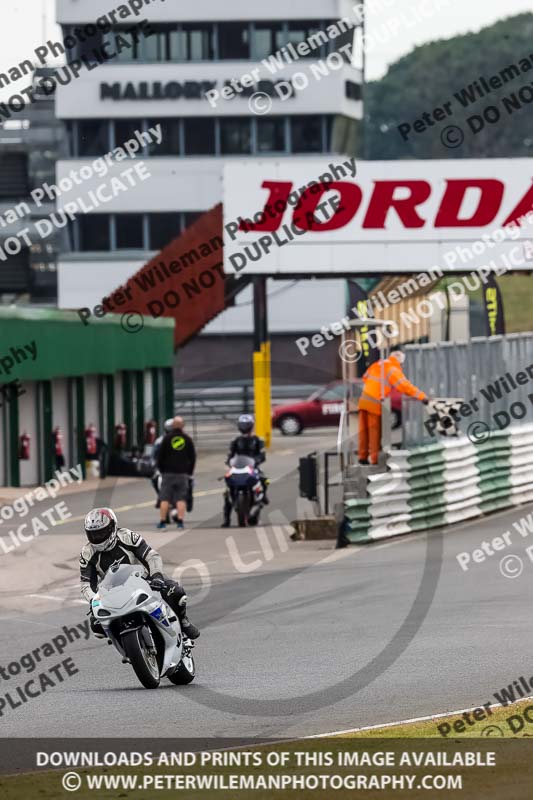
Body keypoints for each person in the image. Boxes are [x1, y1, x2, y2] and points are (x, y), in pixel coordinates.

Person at [80, 507, 200, 640]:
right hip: (112, 591)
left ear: (113, 527)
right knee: (96, 625)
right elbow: (86, 583)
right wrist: (93, 600)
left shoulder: (127, 536)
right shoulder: (87, 553)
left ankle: (183, 622)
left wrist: (157, 576)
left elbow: (151, 556)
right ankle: (126, 647)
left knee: (176, 592)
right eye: (93, 534)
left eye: (101, 532)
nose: (97, 537)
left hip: (144, 579)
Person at [358, 348, 429, 465]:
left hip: (364, 400)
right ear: (400, 362)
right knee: (375, 432)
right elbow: (404, 386)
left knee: (364, 431)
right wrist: (422, 397)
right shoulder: (392, 369)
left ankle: (362, 457)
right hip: (375, 401)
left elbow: (365, 377)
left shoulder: (378, 364)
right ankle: (375, 460)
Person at [222, 414, 268, 528]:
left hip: (252, 467)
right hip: (238, 467)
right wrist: (229, 461)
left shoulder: (258, 440)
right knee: (227, 490)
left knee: (264, 480)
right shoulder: (236, 441)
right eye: (243, 425)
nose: (245, 427)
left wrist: (257, 460)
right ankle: (226, 519)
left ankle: (262, 499)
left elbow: (262, 455)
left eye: (246, 425)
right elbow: (230, 455)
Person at [156, 416, 196, 530]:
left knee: (164, 498)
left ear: (172, 426)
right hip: (182, 473)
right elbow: (192, 457)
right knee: (181, 498)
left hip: (168, 473)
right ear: (183, 426)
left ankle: (163, 522)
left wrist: (162, 470)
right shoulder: (187, 439)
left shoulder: (167, 439)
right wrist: (189, 472)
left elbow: (160, 456)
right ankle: (180, 522)